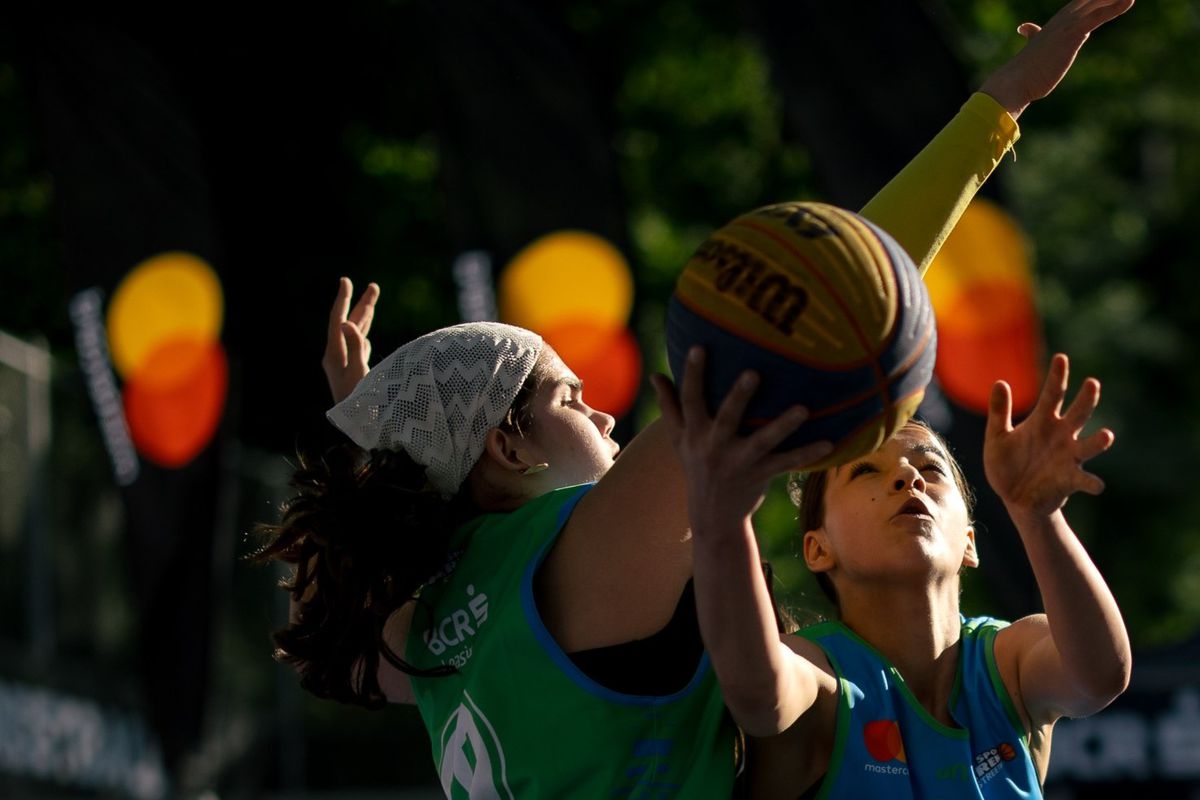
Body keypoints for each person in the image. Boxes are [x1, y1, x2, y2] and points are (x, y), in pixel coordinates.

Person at [253, 2, 1133, 796]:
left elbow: (325, 608)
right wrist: (999, 108)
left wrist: (372, 442)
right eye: (566, 395)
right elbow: (832, 299)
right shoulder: (582, 552)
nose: (604, 414)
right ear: (509, 450)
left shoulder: (428, 629)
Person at [652, 350, 1131, 798]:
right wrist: (727, 516)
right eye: (864, 472)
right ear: (818, 548)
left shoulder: (1009, 664)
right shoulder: (821, 676)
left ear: (969, 541)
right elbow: (758, 694)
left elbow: (1098, 677)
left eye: (931, 467)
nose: (909, 477)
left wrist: (1037, 514)